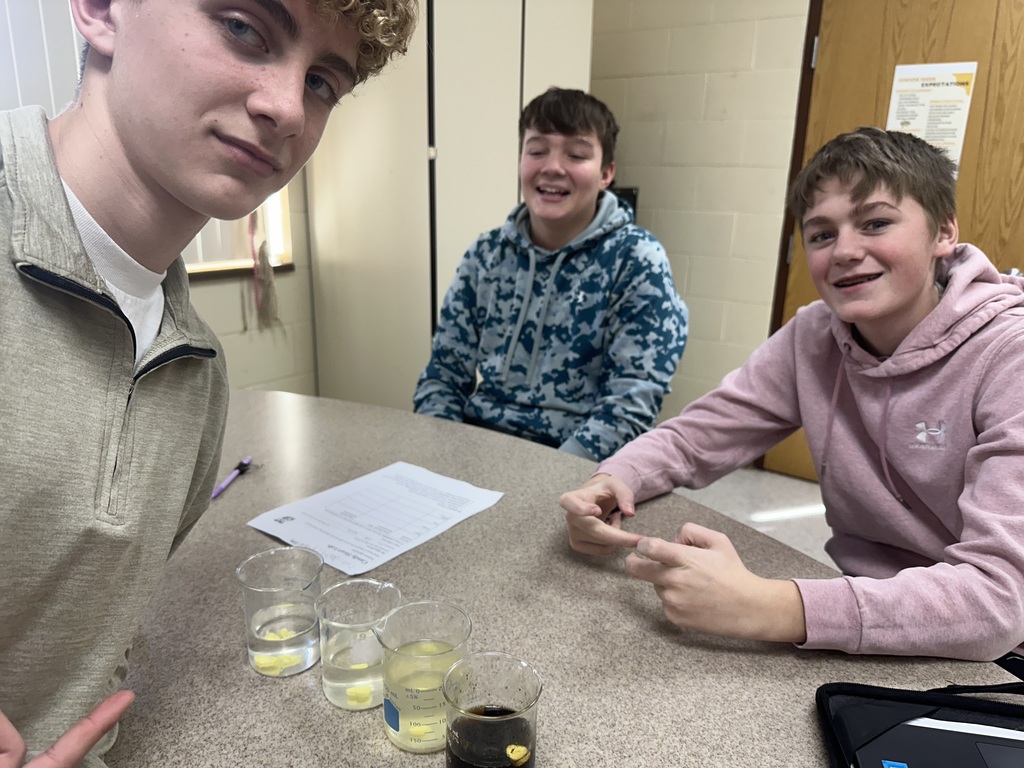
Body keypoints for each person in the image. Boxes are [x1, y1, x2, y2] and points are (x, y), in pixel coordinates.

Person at [0, 0, 417, 765]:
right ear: (100, 10)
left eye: (323, 82)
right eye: (243, 28)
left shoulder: (196, 376)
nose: (287, 109)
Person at [560, 126, 1024, 662]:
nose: (845, 251)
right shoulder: (815, 334)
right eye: (822, 234)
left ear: (943, 232)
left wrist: (768, 607)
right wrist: (615, 478)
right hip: (862, 622)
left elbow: (1000, 600)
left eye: (875, 223)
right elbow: (697, 436)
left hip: (993, 657)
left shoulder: (1008, 354)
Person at [413, 87, 688, 462]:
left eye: (576, 154)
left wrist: (550, 479)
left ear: (606, 173)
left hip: (578, 464)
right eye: (537, 151)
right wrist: (439, 458)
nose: (553, 167)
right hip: (476, 450)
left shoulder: (638, 260)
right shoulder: (487, 253)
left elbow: (629, 407)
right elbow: (442, 377)